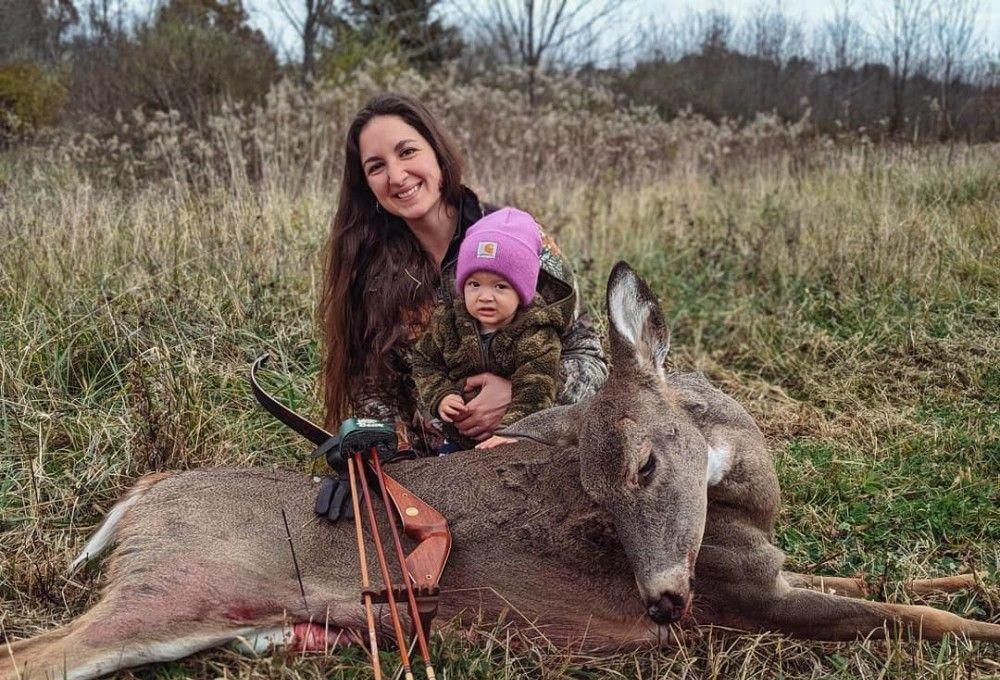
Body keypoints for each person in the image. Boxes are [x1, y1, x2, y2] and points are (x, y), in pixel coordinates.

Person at [319, 92, 607, 455]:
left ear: (437, 152)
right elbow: (377, 396)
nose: (396, 175)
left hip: (535, 452)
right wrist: (379, 463)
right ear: (368, 186)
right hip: (439, 474)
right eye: (376, 166)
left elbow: (590, 362)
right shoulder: (371, 275)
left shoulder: (520, 240)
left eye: (407, 152)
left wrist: (519, 395)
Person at [411, 207, 564, 453]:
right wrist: (442, 395)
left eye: (500, 286)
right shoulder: (449, 320)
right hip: (457, 437)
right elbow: (424, 362)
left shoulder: (536, 331)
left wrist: (511, 432)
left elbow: (537, 390)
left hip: (513, 437)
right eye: (474, 284)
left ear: (522, 290)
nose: (485, 297)